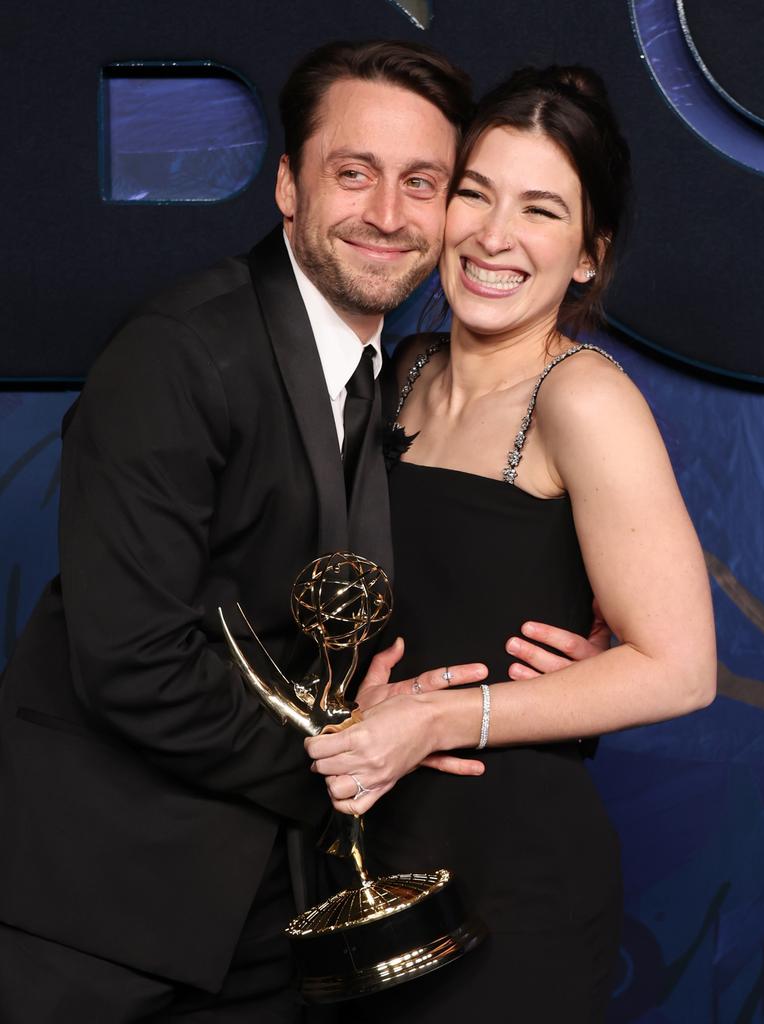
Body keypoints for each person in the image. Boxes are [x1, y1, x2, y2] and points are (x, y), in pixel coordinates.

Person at [0, 40, 476, 1024]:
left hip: (271, 915)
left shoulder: (402, 377)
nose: (388, 215)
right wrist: (343, 757)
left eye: (420, 182)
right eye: (355, 173)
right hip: (101, 911)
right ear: (288, 187)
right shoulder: (179, 356)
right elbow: (133, 659)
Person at [306, 66, 717, 1023]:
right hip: (371, 855)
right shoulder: (402, 370)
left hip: (517, 876)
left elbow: (684, 668)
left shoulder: (583, 398)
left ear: (587, 253)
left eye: (540, 209)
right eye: (475, 194)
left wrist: (440, 719)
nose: (494, 236)